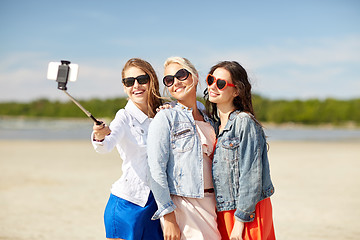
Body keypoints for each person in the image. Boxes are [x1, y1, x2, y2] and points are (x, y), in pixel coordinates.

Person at [147, 57, 221, 240]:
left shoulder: (211, 119)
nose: (176, 82)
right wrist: (168, 215)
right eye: (169, 80)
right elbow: (155, 171)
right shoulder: (165, 118)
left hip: (214, 204)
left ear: (195, 77)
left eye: (181, 75)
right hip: (184, 205)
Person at [91, 58, 163, 240]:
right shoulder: (123, 116)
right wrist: (100, 135)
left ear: (152, 80)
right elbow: (105, 145)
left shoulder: (162, 114)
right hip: (127, 203)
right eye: (129, 82)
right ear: (124, 87)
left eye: (142, 79)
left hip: (157, 205)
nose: (136, 85)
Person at [204, 61, 275, 240]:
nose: (213, 86)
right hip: (224, 208)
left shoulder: (243, 122)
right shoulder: (214, 125)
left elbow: (251, 175)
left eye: (221, 83)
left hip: (245, 211)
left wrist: (241, 220)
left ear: (236, 91)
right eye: (211, 80)